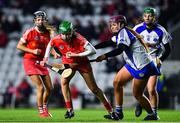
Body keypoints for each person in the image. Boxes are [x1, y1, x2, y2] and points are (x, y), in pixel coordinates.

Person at [40, 20, 118, 120]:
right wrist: (45, 58)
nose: (66, 36)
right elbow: (50, 44)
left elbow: (93, 50)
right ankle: (70, 110)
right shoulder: (57, 38)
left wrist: (77, 55)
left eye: (68, 34)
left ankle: (111, 111)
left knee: (94, 89)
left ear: (72, 32)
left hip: (82, 63)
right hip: (68, 63)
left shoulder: (79, 38)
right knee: (64, 82)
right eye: (63, 34)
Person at [94, 15, 161, 120]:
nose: (112, 27)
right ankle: (118, 112)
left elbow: (120, 49)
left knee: (137, 94)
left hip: (142, 66)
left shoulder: (124, 32)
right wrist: (93, 47)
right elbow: (108, 42)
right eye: (111, 25)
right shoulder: (120, 33)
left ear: (121, 24)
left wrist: (105, 56)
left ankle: (152, 115)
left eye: (114, 24)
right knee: (117, 82)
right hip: (132, 64)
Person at [133, 7, 172, 118]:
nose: (147, 18)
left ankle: (154, 114)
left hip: (154, 60)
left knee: (151, 89)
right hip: (140, 61)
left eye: (150, 16)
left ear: (155, 17)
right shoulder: (137, 28)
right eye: (145, 16)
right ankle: (141, 103)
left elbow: (168, 49)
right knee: (138, 90)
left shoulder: (161, 30)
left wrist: (160, 59)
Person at [16, 11, 54, 118]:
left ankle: (45, 106)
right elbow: (19, 46)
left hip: (41, 62)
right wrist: (32, 51)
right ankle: (41, 111)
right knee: (40, 87)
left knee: (50, 88)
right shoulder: (29, 32)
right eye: (38, 19)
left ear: (45, 20)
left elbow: (49, 48)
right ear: (35, 21)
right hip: (30, 61)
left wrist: (54, 53)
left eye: (42, 19)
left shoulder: (48, 33)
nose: (40, 21)